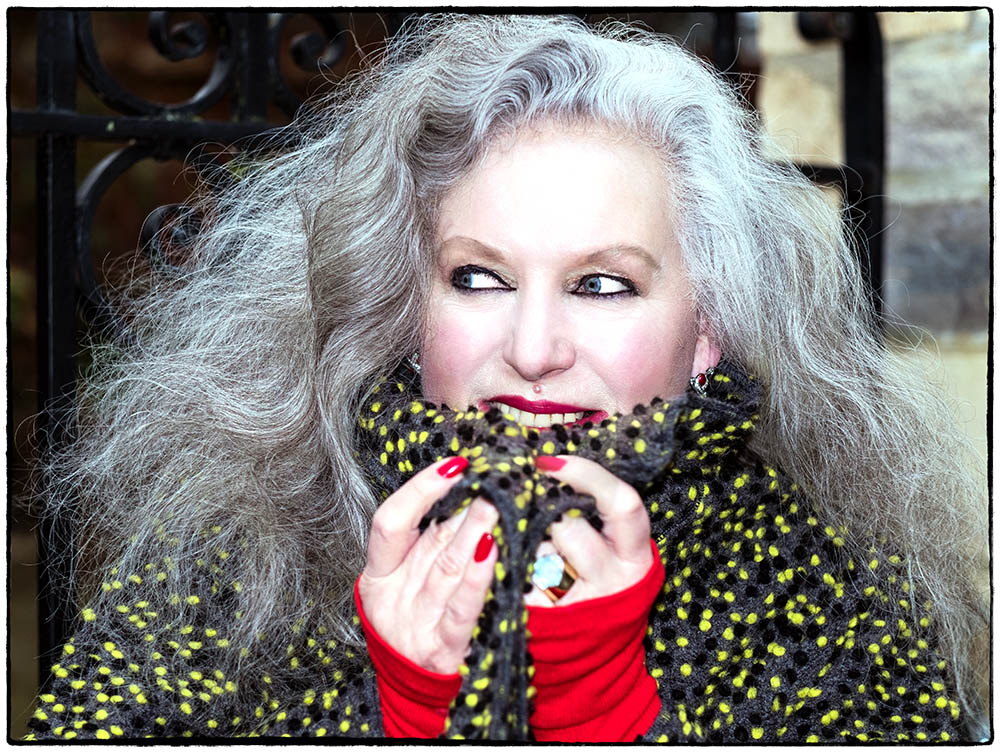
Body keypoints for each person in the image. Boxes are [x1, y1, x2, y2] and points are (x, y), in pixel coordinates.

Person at [26, 14, 987, 742]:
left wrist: (601, 710)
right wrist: (410, 712)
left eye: (602, 285)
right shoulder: (236, 558)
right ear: (403, 303)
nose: (533, 348)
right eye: (478, 278)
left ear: (708, 330)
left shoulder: (832, 595)